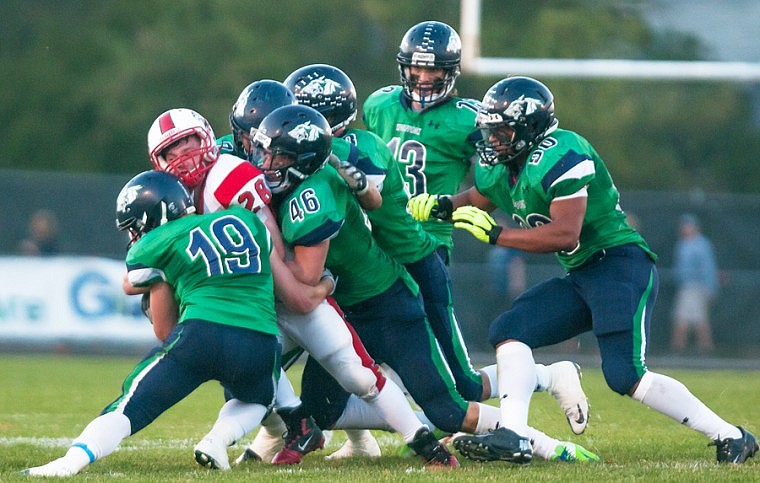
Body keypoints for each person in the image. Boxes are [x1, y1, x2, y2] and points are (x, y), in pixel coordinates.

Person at [409, 75, 758, 465]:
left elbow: (564, 233)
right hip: (583, 274)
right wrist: (445, 205)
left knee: (626, 375)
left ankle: (731, 435)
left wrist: (498, 236)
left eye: (503, 131)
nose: (493, 141)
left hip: (619, 266)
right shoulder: (501, 165)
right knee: (510, 330)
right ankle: (514, 435)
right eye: (491, 131)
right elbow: (481, 195)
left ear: (530, 129)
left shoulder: (564, 153)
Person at [248, 103, 599, 465]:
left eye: (277, 156)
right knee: (321, 410)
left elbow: (306, 278)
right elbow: (370, 196)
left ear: (302, 158)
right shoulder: (312, 170)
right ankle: (414, 427)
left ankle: (543, 444)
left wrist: (315, 280)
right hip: (347, 308)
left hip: (388, 306)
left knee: (452, 407)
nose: (265, 162)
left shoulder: (315, 192)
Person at [147, 105, 454, 468]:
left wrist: (320, 288)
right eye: (172, 151)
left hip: (278, 284)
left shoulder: (230, 179)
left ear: (208, 140)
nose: (183, 158)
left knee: (357, 374)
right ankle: (294, 425)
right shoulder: (169, 197)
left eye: (188, 144)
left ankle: (423, 441)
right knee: (243, 367)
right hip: (253, 303)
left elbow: (288, 273)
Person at [20, 170, 332, 477]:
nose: (135, 237)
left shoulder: (157, 242)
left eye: (135, 228)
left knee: (131, 405)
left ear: (156, 215)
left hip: (201, 333)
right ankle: (217, 440)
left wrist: (159, 279)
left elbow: (154, 315)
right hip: (259, 340)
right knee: (258, 399)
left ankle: (70, 462)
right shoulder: (247, 220)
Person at [670, 213, 719, 354]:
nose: (683, 228)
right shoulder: (682, 244)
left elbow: (708, 268)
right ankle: (699, 350)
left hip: (696, 287)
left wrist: (710, 288)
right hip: (685, 287)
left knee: (689, 319)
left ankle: (685, 351)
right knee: (692, 319)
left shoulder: (701, 244)